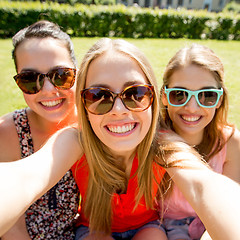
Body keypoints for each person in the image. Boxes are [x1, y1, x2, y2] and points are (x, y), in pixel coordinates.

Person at [1, 38, 240, 240]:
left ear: (153, 100)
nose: (118, 109)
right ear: (83, 105)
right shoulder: (76, 139)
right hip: (94, 227)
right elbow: (27, 177)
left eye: (135, 93)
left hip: (147, 225)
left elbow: (202, 186)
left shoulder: (163, 142)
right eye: (99, 95)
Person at [0, 20, 80, 239]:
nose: (48, 90)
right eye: (29, 79)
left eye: (61, 75)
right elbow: (12, 227)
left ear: (77, 72)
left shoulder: (92, 124)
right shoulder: (9, 132)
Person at [159, 43, 240, 239]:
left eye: (207, 96)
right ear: (164, 96)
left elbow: (228, 206)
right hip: (155, 227)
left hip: (212, 225)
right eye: (179, 95)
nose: (192, 108)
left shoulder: (230, 143)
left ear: (219, 100)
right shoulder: (151, 138)